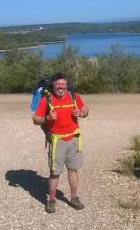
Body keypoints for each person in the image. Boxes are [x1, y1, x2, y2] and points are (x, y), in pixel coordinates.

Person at [32, 72, 89, 213]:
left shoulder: (74, 96)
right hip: (57, 141)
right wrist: (47, 118)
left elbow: (86, 110)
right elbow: (35, 119)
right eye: (58, 85)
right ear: (54, 85)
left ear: (66, 85)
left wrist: (81, 113)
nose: (61, 88)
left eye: (63, 85)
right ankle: (51, 200)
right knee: (55, 172)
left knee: (73, 170)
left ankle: (74, 198)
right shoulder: (47, 100)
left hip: (74, 139)